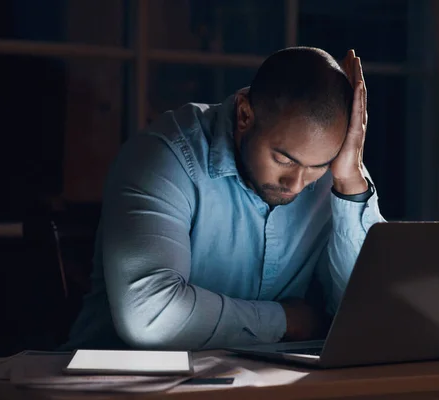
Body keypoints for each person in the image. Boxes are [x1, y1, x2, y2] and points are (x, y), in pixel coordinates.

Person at [63, 47, 385, 351]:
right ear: (245, 115)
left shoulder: (337, 168)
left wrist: (350, 183)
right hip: (114, 385)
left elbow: (372, 318)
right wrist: (286, 321)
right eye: (284, 160)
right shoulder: (164, 155)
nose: (297, 184)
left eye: (318, 167)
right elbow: (149, 317)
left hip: (257, 383)